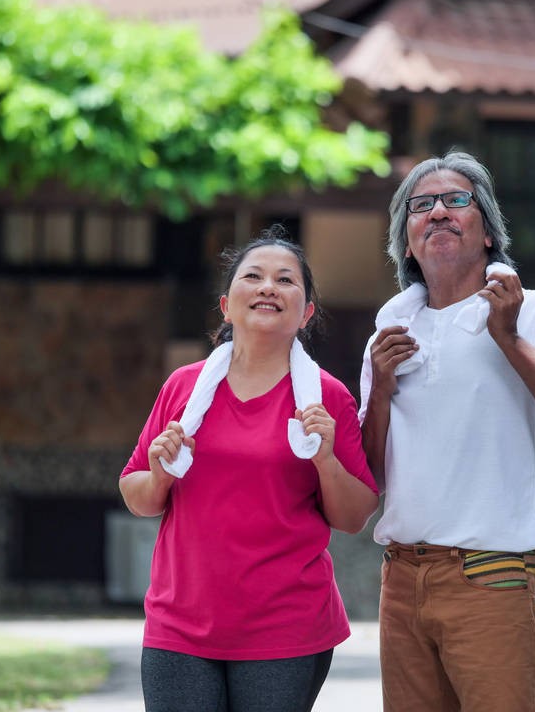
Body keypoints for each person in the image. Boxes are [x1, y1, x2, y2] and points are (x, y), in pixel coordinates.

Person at [359, 151, 535, 712]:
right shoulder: (388, 333)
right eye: (421, 206)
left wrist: (509, 337)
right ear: (407, 243)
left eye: (456, 200)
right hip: (401, 577)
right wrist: (380, 389)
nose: (438, 212)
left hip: (492, 574)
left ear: (489, 232)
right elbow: (369, 477)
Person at [120, 225, 380, 712]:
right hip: (179, 622)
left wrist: (324, 459)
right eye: (254, 276)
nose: (268, 287)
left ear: (306, 313)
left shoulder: (327, 398)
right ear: (226, 305)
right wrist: (160, 475)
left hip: (285, 627)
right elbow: (138, 496)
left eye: (285, 280)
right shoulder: (184, 388)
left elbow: (353, 516)